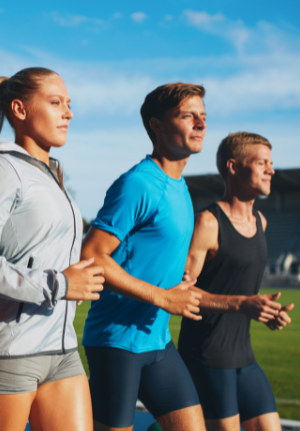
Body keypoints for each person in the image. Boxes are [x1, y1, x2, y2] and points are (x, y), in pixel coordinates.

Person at [0, 68, 105, 431]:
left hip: (62, 349)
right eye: (55, 103)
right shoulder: (1, 168)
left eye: (69, 104)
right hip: (11, 352)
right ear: (19, 109)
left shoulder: (51, 175)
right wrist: (59, 284)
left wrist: (76, 283)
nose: (68, 113)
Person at [80, 82, 209, 431]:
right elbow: (92, 255)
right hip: (117, 341)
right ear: (157, 125)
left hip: (158, 340)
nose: (200, 123)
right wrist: (162, 297)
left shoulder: (180, 187)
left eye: (202, 116)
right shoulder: (138, 184)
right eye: (188, 116)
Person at [178, 132, 294, 431]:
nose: (271, 170)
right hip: (206, 354)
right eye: (262, 162)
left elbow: (239, 288)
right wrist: (241, 304)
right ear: (232, 166)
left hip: (243, 353)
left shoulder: (261, 222)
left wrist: (265, 310)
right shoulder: (208, 222)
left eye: (271, 163)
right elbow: (180, 293)